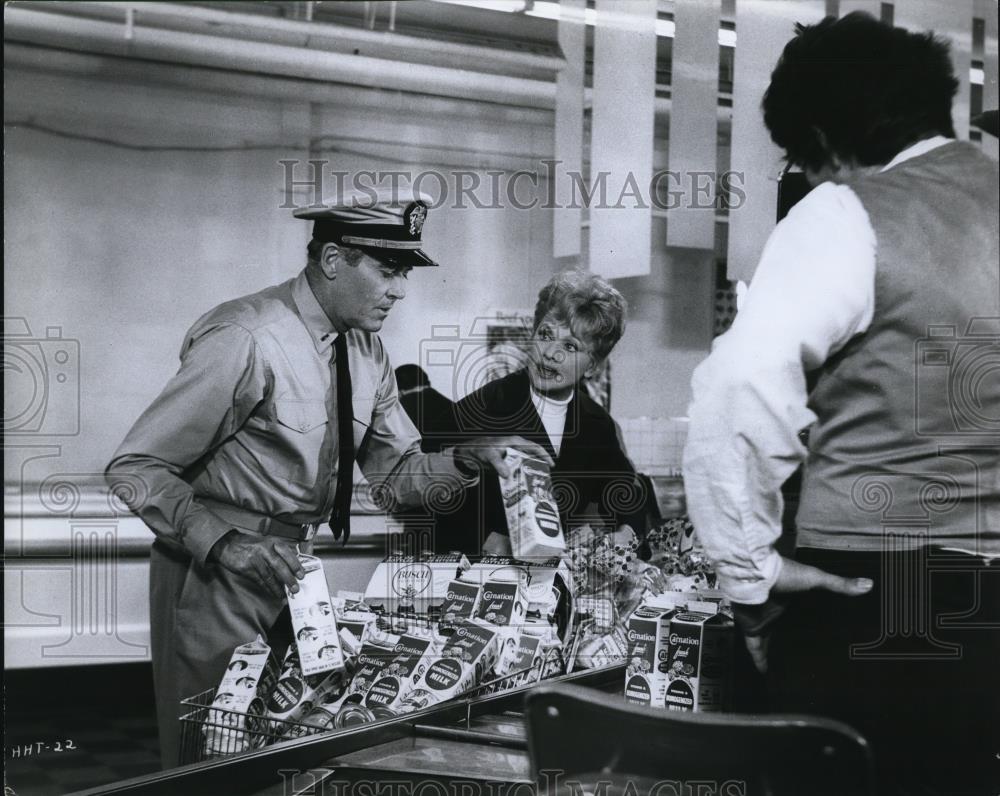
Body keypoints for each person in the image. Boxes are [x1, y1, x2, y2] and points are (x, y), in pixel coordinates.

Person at [105, 188, 550, 768]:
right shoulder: (247, 338)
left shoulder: (367, 350)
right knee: (212, 754)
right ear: (334, 259)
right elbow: (135, 468)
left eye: (406, 274)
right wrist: (227, 543)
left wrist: (469, 457)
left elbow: (395, 476)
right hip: (216, 571)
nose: (400, 290)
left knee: (283, 748)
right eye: (389, 270)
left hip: (295, 574)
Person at [682, 13, 999, 795]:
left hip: (870, 597)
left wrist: (748, 577)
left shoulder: (848, 213)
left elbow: (738, 391)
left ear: (825, 136)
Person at [430, 271, 646, 554]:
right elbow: (426, 498)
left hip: (556, 579)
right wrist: (485, 540)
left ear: (593, 366)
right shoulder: (479, 408)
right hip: (482, 577)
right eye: (545, 335)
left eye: (570, 346)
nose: (550, 354)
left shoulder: (597, 423)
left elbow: (628, 494)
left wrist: (626, 533)